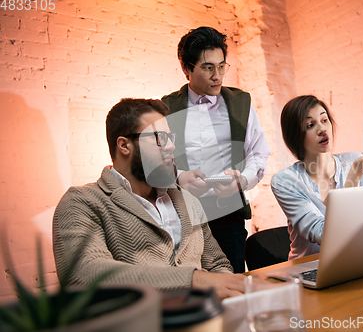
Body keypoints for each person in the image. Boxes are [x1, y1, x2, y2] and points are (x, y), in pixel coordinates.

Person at [52, 98, 245, 299]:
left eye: (171, 137)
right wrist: (193, 280)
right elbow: (84, 274)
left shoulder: (188, 201)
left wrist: (226, 296)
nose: (171, 146)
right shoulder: (82, 202)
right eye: (160, 137)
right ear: (124, 145)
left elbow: (217, 265)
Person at [162, 26, 270, 273]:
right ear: (186, 68)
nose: (217, 76)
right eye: (208, 67)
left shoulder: (240, 102)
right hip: (183, 216)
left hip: (228, 213)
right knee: (191, 286)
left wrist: (242, 180)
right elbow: (156, 162)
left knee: (233, 284)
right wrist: (178, 179)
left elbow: (259, 152)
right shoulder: (167, 107)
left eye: (222, 66)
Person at [271, 95, 363, 260]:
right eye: (310, 125)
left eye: (324, 120)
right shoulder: (286, 181)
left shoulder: (353, 160)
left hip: (358, 259)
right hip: (312, 267)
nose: (322, 129)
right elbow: (328, 236)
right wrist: (354, 178)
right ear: (295, 135)